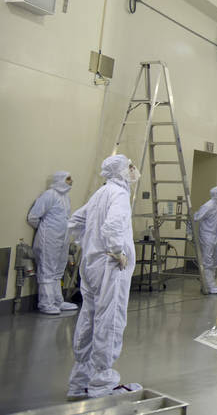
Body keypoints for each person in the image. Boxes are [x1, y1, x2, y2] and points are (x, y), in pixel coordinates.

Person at [67, 155, 141, 399]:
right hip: (111, 266)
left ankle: (80, 381)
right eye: (129, 167)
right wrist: (117, 252)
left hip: (91, 265)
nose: (133, 171)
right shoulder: (119, 195)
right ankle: (103, 383)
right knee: (110, 319)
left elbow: (75, 221)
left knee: (88, 317)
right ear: (120, 172)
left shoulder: (100, 194)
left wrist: (87, 244)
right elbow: (112, 227)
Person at [27, 171, 79, 314]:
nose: (71, 181)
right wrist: (46, 230)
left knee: (58, 270)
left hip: (62, 240)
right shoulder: (49, 195)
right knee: (47, 270)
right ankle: (45, 303)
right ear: (60, 180)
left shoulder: (65, 197)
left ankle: (58, 301)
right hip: (49, 240)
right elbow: (33, 217)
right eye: (68, 179)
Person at [194, 186, 217, 294]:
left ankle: (210, 282)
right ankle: (209, 285)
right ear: (216, 194)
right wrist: (189, 233)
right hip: (206, 235)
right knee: (207, 260)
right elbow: (195, 218)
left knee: (215, 259)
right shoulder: (208, 206)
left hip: (216, 235)